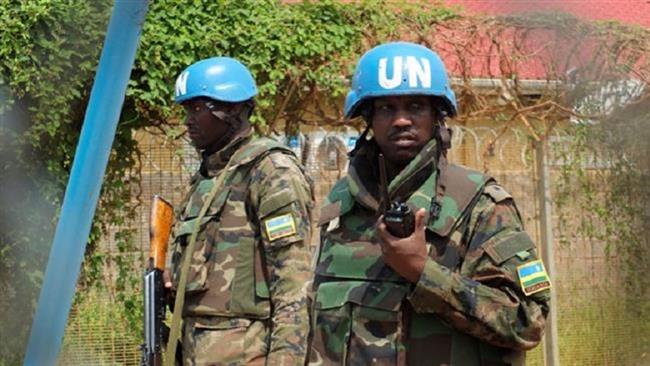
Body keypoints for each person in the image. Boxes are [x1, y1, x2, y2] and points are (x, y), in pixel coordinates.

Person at [309, 42, 551, 365]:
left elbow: (528, 321)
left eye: (415, 107)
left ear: (437, 115)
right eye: (386, 109)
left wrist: (424, 273)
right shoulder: (342, 203)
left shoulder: (481, 206)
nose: (401, 121)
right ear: (368, 118)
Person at [165, 57, 314, 365]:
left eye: (197, 108)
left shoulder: (271, 171)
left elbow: (293, 286)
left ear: (231, 108)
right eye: (185, 110)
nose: (187, 121)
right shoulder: (208, 178)